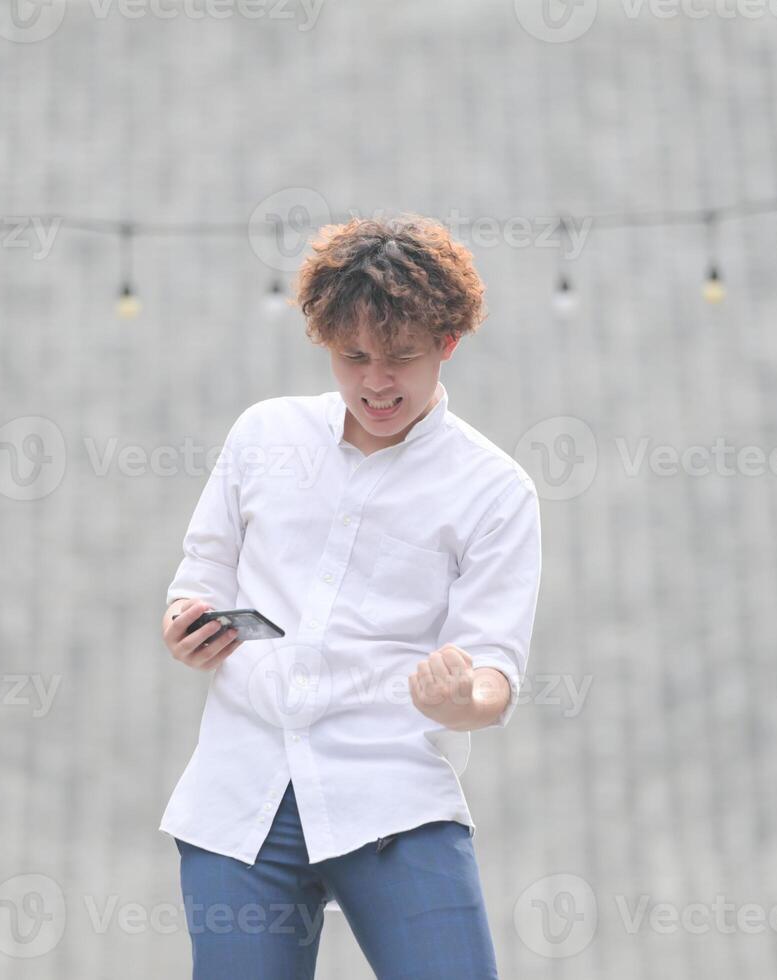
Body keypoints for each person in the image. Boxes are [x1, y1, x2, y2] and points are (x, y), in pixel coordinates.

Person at [158, 213, 543, 978]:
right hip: (242, 799)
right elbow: (197, 577)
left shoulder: (495, 490)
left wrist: (460, 695)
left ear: (447, 345)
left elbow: (495, 679)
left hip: (393, 795)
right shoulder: (263, 436)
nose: (375, 382)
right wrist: (184, 625)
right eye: (353, 356)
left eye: (401, 357)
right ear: (325, 343)